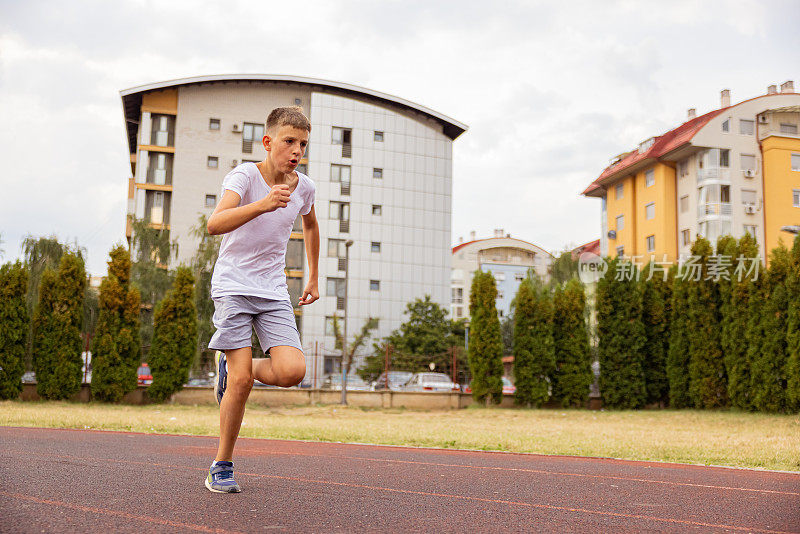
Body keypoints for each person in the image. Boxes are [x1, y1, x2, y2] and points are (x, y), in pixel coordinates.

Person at [204, 106, 319, 493]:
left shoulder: (304, 187)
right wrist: (264, 203)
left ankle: (240, 366)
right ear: (268, 142)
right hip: (234, 285)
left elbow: (311, 224)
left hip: (272, 289)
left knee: (292, 372)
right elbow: (214, 224)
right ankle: (221, 464)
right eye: (289, 141)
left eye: (302, 144)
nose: (296, 150)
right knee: (239, 383)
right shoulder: (244, 176)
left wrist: (314, 276)